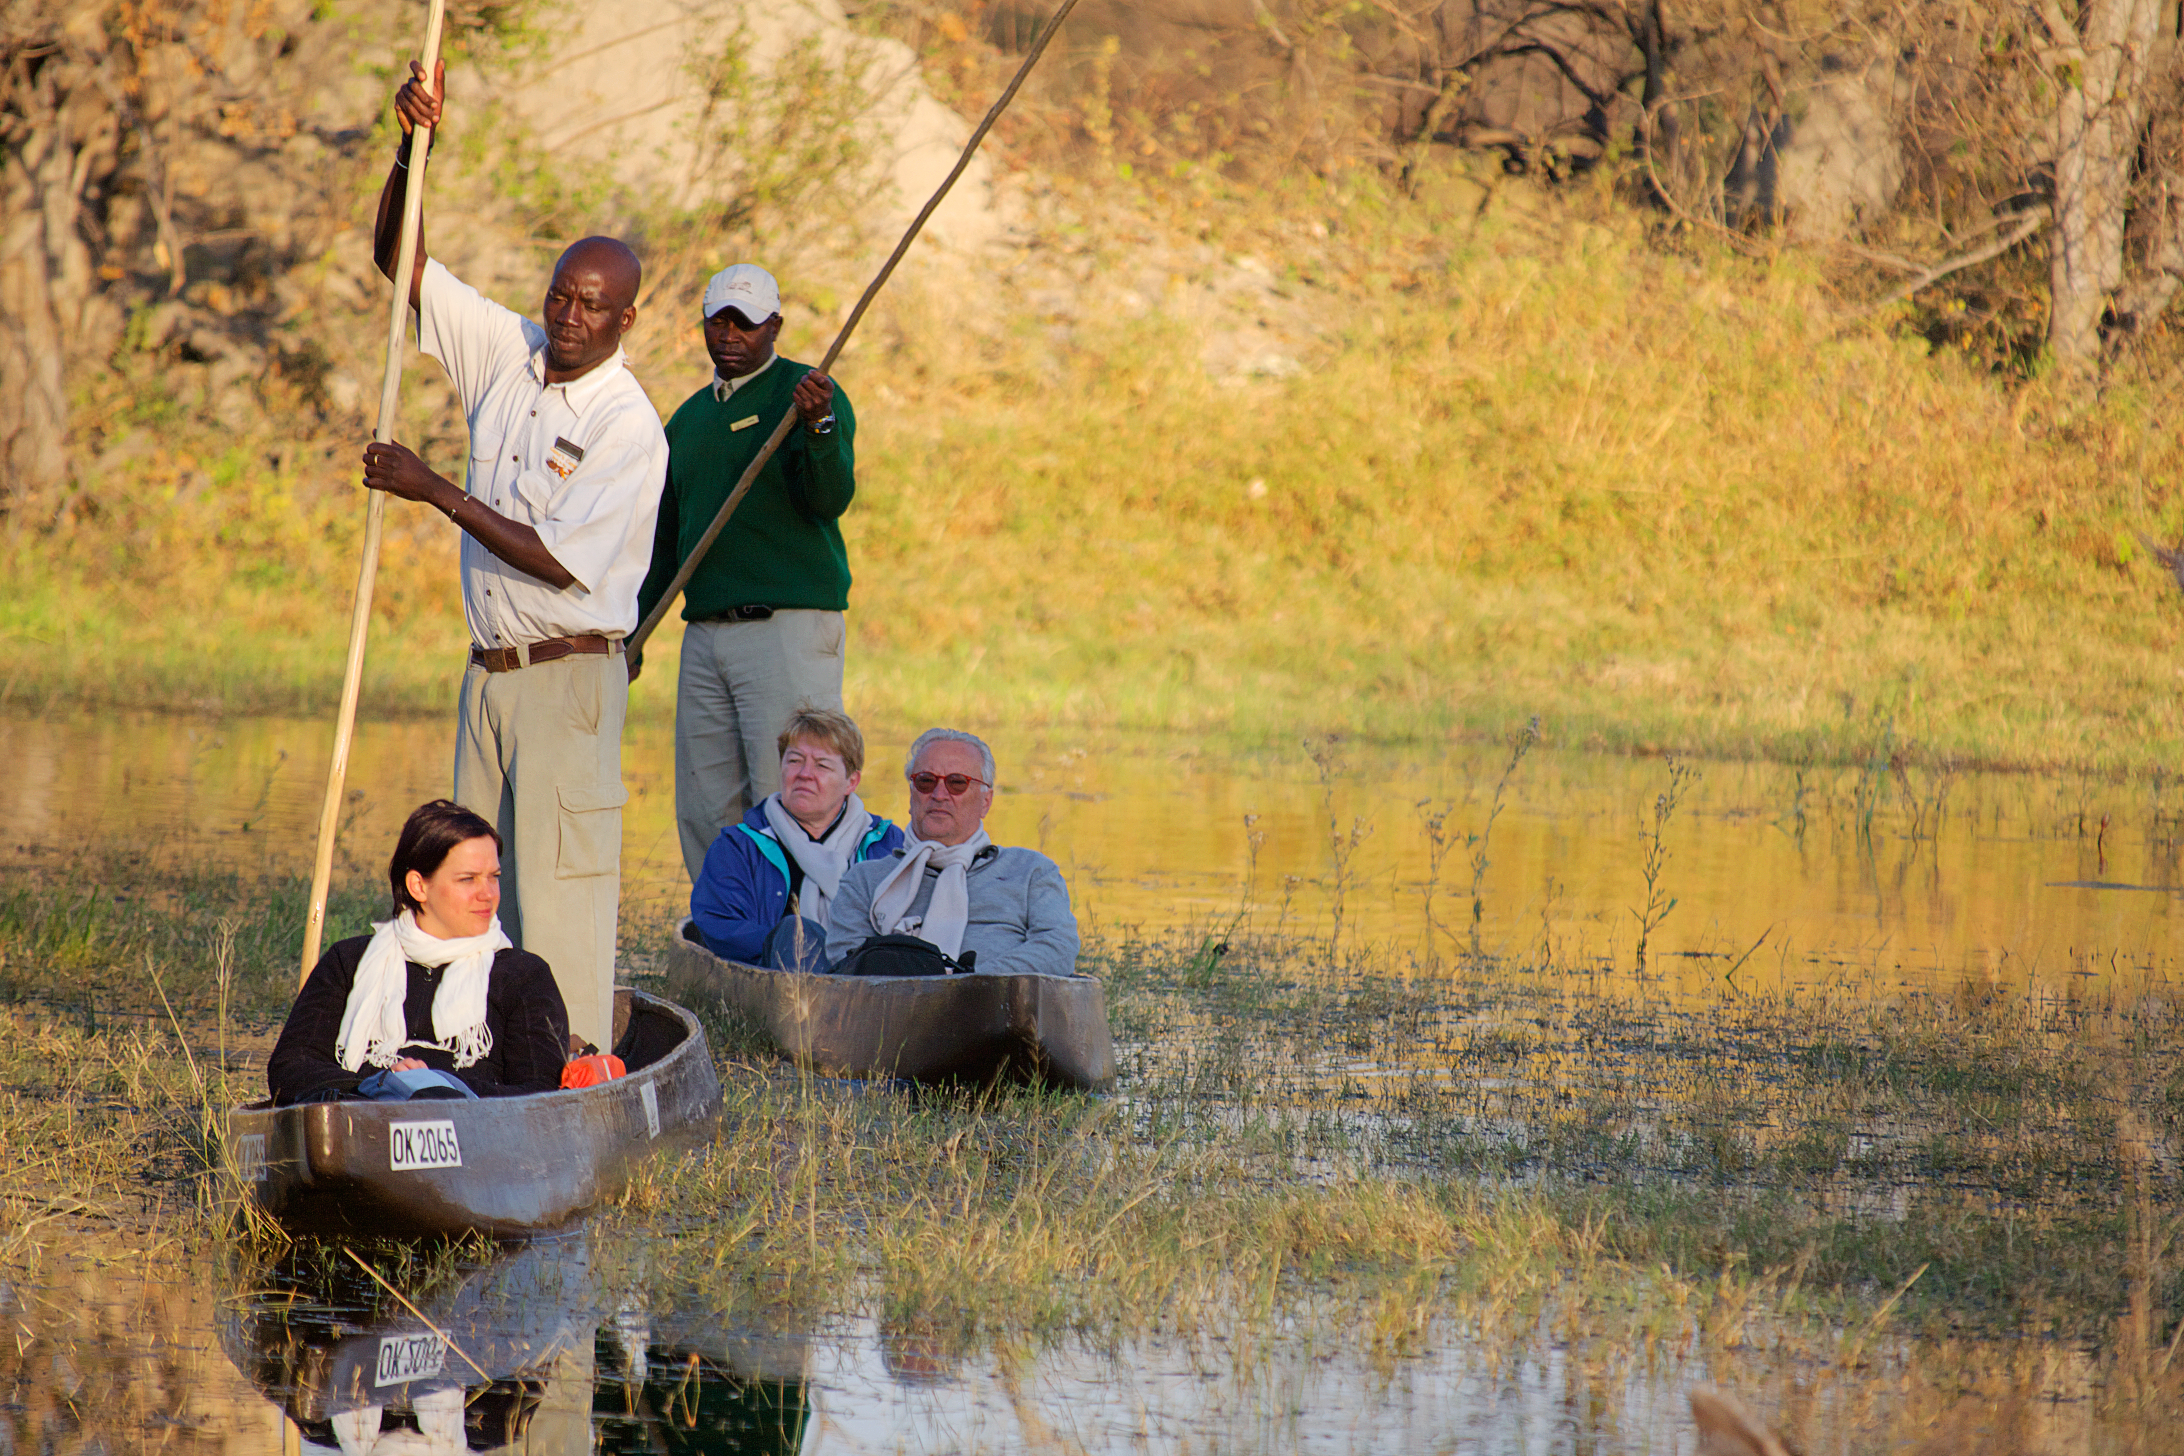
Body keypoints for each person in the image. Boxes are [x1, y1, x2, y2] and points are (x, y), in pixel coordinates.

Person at [357, 61, 667, 1050]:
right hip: (487, 677)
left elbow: (552, 558)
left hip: (568, 678)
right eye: (560, 296)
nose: (569, 318)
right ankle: (468, 1056)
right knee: (464, 890)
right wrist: (415, 148)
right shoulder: (511, 353)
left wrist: (435, 488)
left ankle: (570, 1072)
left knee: (561, 895)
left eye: (590, 307)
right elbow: (398, 262)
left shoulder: (629, 425)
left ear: (625, 319)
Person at [633, 262, 859, 884]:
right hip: (704, 633)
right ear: (703, 322)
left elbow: (829, 497)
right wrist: (635, 634)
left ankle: (802, 930)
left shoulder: (809, 395)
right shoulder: (686, 421)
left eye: (747, 323)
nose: (731, 335)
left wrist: (819, 427)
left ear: (775, 326)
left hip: (785, 629)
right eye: (719, 320)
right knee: (706, 802)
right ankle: (723, 929)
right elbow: (666, 545)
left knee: (794, 789)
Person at [268, 800, 569, 1105]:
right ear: (418, 886)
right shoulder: (350, 962)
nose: (488, 893)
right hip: (362, 1133)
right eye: (468, 879)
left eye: (494, 876)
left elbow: (543, 1095)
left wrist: (438, 1088)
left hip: (477, 1143)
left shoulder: (523, 975)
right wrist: (382, 1086)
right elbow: (291, 1068)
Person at [826, 729, 1080, 977]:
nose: (939, 795)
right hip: (893, 1014)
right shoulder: (865, 880)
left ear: (986, 801)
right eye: (925, 781)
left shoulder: (1030, 872)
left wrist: (969, 983)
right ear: (911, 793)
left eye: (957, 783)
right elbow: (847, 964)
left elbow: (1058, 948)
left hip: (999, 1011)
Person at [690, 706, 905, 969]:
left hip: (865, 978)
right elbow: (719, 922)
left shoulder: (886, 842)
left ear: (851, 782)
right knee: (794, 932)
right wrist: (791, 948)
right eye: (794, 760)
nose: (805, 773)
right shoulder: (738, 846)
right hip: (775, 982)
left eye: (822, 765)